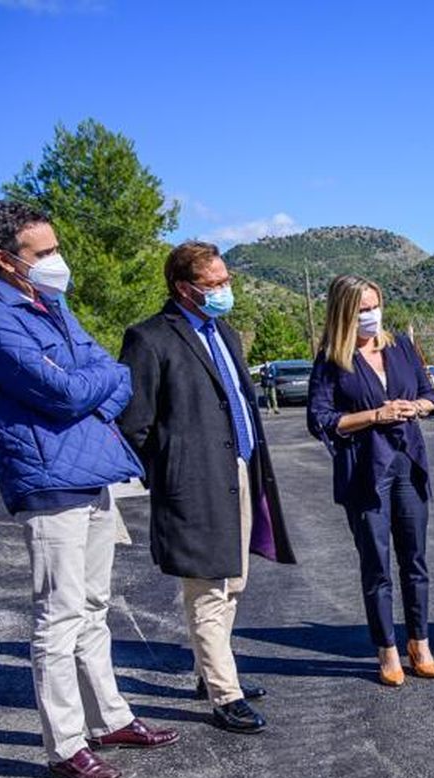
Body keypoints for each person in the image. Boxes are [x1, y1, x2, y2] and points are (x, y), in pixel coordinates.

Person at [0, 199, 178, 778]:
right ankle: (65, 746)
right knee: (58, 614)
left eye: (56, 247)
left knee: (94, 606)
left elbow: (113, 375)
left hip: (90, 469)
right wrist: (83, 388)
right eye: (45, 252)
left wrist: (84, 387)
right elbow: (63, 392)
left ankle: (109, 718)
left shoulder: (50, 302)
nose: (58, 260)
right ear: (6, 260)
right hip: (46, 478)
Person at [119, 242, 295, 734]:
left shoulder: (225, 334)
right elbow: (134, 424)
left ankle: (210, 670)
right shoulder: (150, 338)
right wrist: (170, 473)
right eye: (213, 284)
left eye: (226, 280)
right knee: (208, 588)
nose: (224, 290)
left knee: (233, 581)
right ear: (184, 288)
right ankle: (225, 694)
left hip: (239, 471)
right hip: (193, 484)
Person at [306, 275, 434, 685]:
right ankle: (387, 650)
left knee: (415, 560)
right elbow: (320, 419)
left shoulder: (400, 346)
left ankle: (420, 643)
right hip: (365, 471)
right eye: (362, 309)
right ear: (345, 313)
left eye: (375, 306)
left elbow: (430, 396)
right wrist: (375, 415)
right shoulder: (332, 359)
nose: (372, 315)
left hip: (407, 464)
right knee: (376, 565)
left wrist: (416, 407)